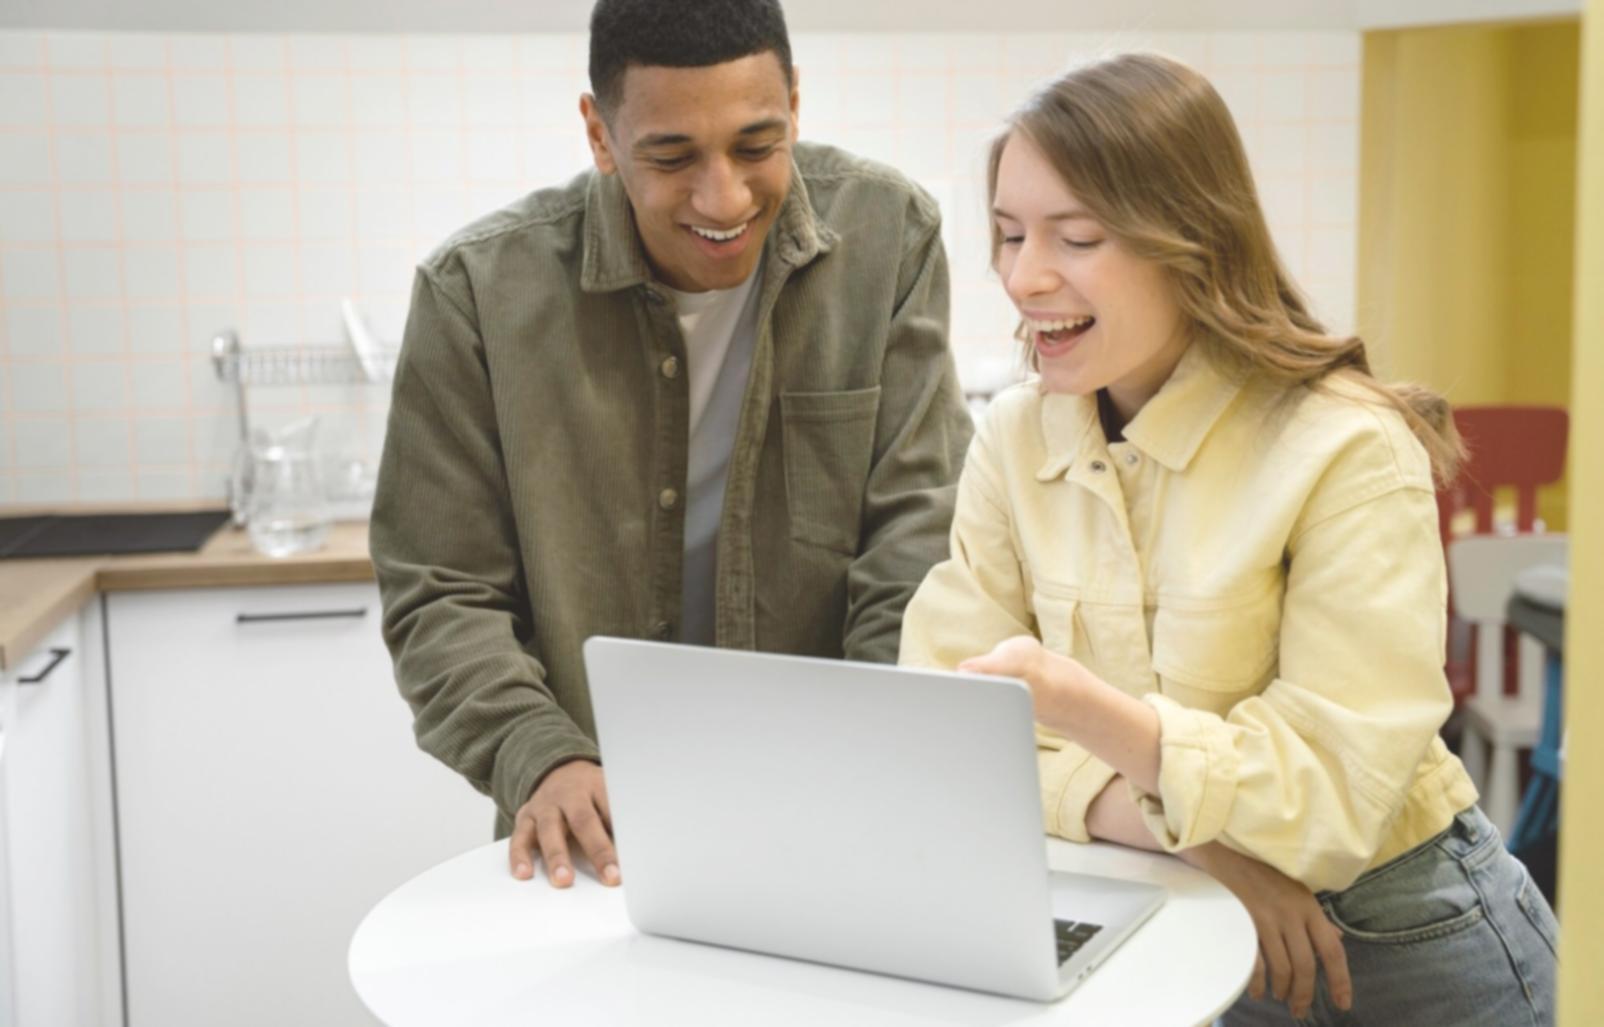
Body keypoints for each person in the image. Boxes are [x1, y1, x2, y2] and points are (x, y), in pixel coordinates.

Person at [900, 53, 1558, 1025]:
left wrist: (1083, 711)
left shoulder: (1343, 441)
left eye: (1074, 237)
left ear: (1192, 244)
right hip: (1167, 911)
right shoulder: (1012, 434)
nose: (1022, 274)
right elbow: (942, 733)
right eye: (1006, 233)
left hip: (1398, 940)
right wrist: (1193, 841)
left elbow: (1334, 792)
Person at [371, 0, 971, 890]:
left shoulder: (891, 240)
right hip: (591, 831)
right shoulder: (476, 296)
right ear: (600, 134)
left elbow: (916, 542)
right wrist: (537, 754)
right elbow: (441, 590)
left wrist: (872, 746)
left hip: (838, 805)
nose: (722, 197)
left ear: (796, 105)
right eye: (671, 156)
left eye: (757, 146)